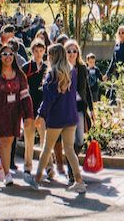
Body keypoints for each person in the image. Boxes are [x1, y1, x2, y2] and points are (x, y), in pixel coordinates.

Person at [26, 44, 86, 193]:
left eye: (48, 55)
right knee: (70, 150)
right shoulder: (71, 72)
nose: (47, 58)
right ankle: (79, 181)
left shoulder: (52, 74)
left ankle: (37, 178)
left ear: (53, 56)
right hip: (71, 116)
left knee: (46, 148)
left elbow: (48, 100)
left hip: (56, 117)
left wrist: (40, 115)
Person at [0, 43, 34, 187]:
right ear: (0, 57)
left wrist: (28, 116)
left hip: (14, 113)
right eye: (4, 54)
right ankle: (7, 173)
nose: (8, 57)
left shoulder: (20, 75)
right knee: (3, 142)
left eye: (10, 54)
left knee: (9, 142)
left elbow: (25, 95)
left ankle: (2, 168)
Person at [23, 39, 55, 177]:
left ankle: (49, 166)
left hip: (42, 110)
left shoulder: (47, 68)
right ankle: (27, 166)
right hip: (29, 108)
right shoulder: (26, 67)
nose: (38, 53)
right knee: (29, 139)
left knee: (45, 140)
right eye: (36, 51)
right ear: (32, 51)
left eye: (41, 51)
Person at [65, 40, 92, 157]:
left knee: (80, 140)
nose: (72, 54)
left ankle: (72, 161)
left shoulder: (82, 68)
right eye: (69, 51)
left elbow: (87, 89)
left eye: (74, 51)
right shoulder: (62, 68)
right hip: (66, 108)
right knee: (69, 141)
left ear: (78, 53)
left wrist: (92, 109)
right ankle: (72, 168)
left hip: (79, 107)